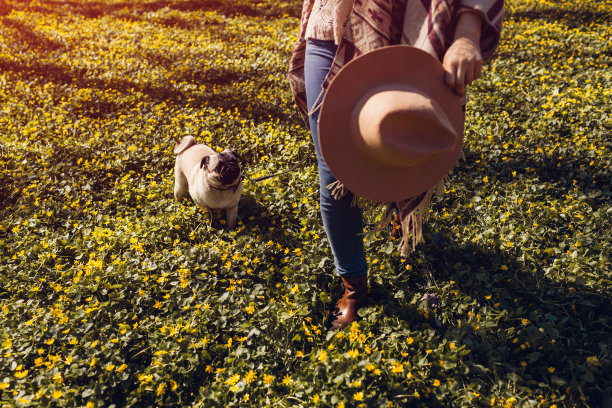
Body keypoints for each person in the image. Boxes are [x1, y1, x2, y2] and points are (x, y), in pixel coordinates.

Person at [288, 0, 504, 330]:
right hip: (333, 25)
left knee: (404, 136)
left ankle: (398, 204)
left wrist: (467, 32)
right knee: (336, 170)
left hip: (416, 30)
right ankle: (354, 286)